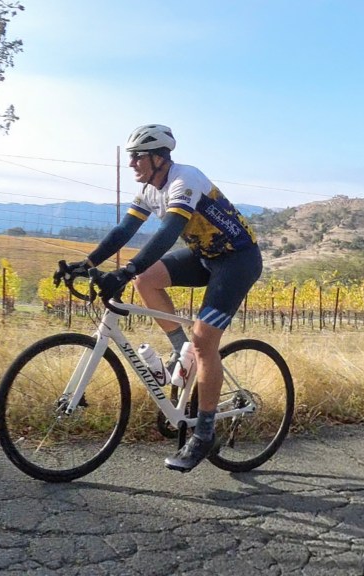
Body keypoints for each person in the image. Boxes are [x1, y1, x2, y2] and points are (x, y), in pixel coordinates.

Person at [56, 124, 262, 472]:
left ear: (159, 158)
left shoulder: (186, 179)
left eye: (138, 158)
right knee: (145, 281)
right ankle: (181, 352)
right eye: (131, 158)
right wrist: (88, 262)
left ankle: (204, 433)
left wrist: (124, 269)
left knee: (204, 342)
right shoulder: (151, 189)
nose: (133, 164)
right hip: (204, 257)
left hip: (237, 260)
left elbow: (169, 232)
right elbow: (124, 230)